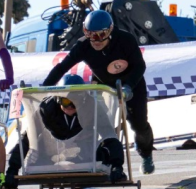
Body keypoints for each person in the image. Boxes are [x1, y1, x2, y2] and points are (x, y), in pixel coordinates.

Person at [41, 9, 155, 174]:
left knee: (138, 124)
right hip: (103, 84)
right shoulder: (83, 45)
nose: (95, 40)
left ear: (109, 31)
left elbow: (140, 66)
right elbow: (62, 67)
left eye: (100, 35)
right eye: (90, 34)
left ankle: (146, 153)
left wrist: (129, 86)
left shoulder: (126, 40)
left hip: (131, 84)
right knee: (98, 121)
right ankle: (97, 158)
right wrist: (44, 89)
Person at [5, 74, 126, 185]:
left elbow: (109, 136)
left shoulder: (93, 107)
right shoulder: (46, 108)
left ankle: (112, 168)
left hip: (84, 153)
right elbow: (27, 138)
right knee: (34, 146)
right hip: (52, 153)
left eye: (75, 101)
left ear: (83, 99)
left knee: (105, 147)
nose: (70, 107)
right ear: (58, 99)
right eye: (66, 101)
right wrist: (12, 169)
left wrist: (117, 165)